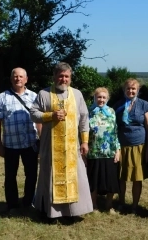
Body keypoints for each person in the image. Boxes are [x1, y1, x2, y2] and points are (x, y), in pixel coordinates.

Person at [30, 62, 93, 220]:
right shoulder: (44, 94)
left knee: (76, 177)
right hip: (51, 147)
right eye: (61, 76)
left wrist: (85, 141)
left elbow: (84, 118)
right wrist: (50, 115)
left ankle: (73, 211)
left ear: (70, 78)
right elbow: (33, 113)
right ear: (54, 76)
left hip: (73, 147)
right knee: (50, 176)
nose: (63, 79)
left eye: (67, 76)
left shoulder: (77, 94)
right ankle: (52, 212)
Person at [0, 67, 41, 213]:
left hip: (31, 143)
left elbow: (39, 121)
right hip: (10, 144)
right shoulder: (2, 97)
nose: (18, 79)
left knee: (31, 175)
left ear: (26, 79)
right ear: (11, 78)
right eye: (15, 76)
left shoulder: (34, 97)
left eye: (21, 76)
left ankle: (29, 201)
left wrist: (42, 142)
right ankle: (12, 204)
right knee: (10, 176)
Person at [114, 78, 148, 214]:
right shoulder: (118, 105)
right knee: (121, 177)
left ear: (138, 90)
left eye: (133, 89)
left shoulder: (144, 105)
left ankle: (135, 205)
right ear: (124, 90)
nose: (131, 91)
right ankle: (121, 202)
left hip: (139, 146)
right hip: (121, 146)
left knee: (137, 177)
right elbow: (114, 127)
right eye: (128, 88)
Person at [87, 87, 120, 213]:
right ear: (94, 98)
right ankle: (94, 205)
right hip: (93, 151)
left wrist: (118, 150)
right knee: (93, 180)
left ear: (107, 99)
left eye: (103, 97)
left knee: (110, 181)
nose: (101, 100)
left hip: (109, 152)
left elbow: (115, 132)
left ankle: (109, 205)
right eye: (98, 97)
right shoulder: (89, 111)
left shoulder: (111, 112)